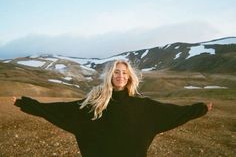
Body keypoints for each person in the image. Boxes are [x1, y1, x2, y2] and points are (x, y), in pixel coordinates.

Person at [13, 60, 213, 157]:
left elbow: (173, 113)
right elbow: (59, 111)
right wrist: (25, 103)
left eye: (124, 73)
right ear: (110, 75)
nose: (120, 76)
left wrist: (200, 109)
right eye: (116, 72)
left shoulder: (143, 106)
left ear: (129, 76)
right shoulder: (94, 104)